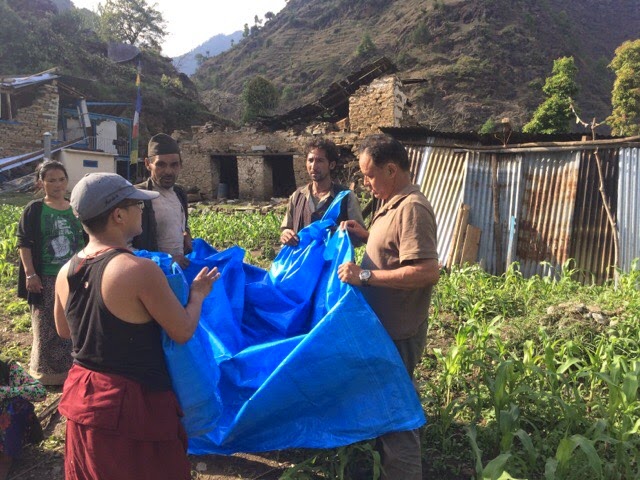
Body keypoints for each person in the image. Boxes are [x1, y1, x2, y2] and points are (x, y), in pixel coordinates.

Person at [53, 173, 220, 480]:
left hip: (84, 399)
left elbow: (64, 330)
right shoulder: (138, 270)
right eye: (136, 205)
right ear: (118, 215)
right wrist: (196, 296)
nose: (142, 210)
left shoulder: (67, 269)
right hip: (132, 407)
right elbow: (181, 331)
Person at [337, 134, 439, 480]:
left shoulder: (412, 208)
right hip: (384, 328)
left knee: (396, 413)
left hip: (398, 332)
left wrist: (365, 275)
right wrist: (365, 235)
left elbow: (426, 271)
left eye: (370, 175)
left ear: (391, 169)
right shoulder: (392, 202)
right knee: (387, 404)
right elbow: (396, 249)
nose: (366, 184)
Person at [17, 160, 86, 386]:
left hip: (74, 276)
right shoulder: (35, 209)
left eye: (61, 179)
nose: (57, 185)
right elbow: (24, 243)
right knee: (46, 326)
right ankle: (45, 375)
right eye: (51, 180)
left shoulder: (75, 209)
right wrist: (30, 274)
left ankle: (71, 371)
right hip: (46, 277)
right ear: (41, 183)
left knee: (73, 323)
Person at [280, 138, 365, 247]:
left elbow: (359, 239)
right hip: (303, 263)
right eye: (310, 160)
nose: (313, 166)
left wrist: (336, 236)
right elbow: (286, 228)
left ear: (332, 165)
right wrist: (286, 234)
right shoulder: (297, 196)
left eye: (320, 161)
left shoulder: (346, 197)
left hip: (334, 263)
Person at [132, 133, 192, 269]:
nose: (169, 171)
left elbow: (180, 224)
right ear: (148, 164)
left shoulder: (179, 194)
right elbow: (123, 246)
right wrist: (166, 262)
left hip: (178, 272)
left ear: (180, 165)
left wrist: (186, 234)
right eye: (161, 165)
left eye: (174, 165)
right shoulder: (136, 196)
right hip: (149, 275)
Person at [0, 356, 46, 480]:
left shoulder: (7, 367)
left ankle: (5, 458)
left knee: (16, 406)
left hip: (5, 429)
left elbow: (40, 391)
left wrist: (6, 392)